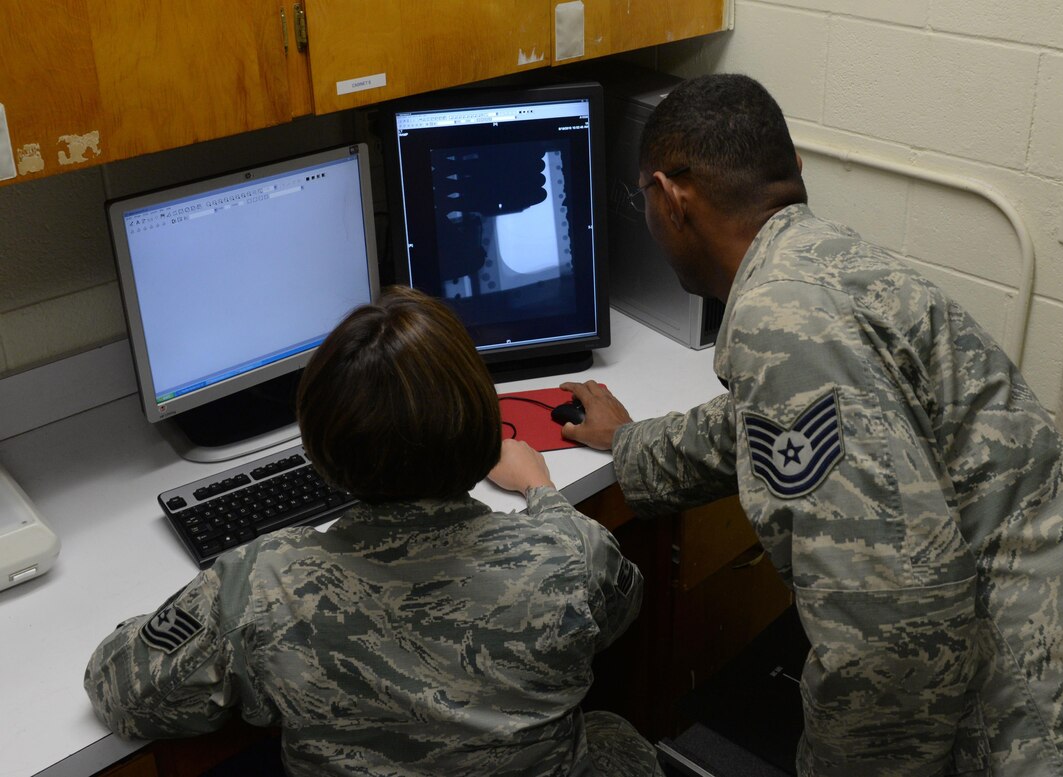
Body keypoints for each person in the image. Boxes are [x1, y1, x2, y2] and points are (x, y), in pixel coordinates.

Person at [560, 73, 1063, 777]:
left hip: (1019, 712)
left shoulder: (782, 315)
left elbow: (894, 638)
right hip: (1045, 627)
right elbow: (777, 425)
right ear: (795, 173)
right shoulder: (818, 261)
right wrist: (630, 445)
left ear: (671, 198)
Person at [84, 286, 663, 777]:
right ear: (486, 430)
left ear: (317, 451)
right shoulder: (569, 552)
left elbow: (121, 692)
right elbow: (620, 609)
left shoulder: (261, 586)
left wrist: (195, 613)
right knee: (610, 736)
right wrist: (544, 495)